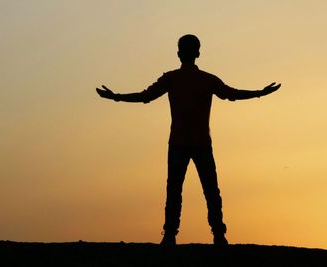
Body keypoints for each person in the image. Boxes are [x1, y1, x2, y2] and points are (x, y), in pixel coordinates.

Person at [96, 34, 281, 246]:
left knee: (178, 190)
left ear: (179, 53)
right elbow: (232, 94)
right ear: (198, 53)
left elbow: (145, 96)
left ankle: (172, 235)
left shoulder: (175, 78)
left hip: (183, 143)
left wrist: (117, 97)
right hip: (197, 143)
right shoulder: (204, 79)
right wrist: (260, 93)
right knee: (208, 190)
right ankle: (215, 235)